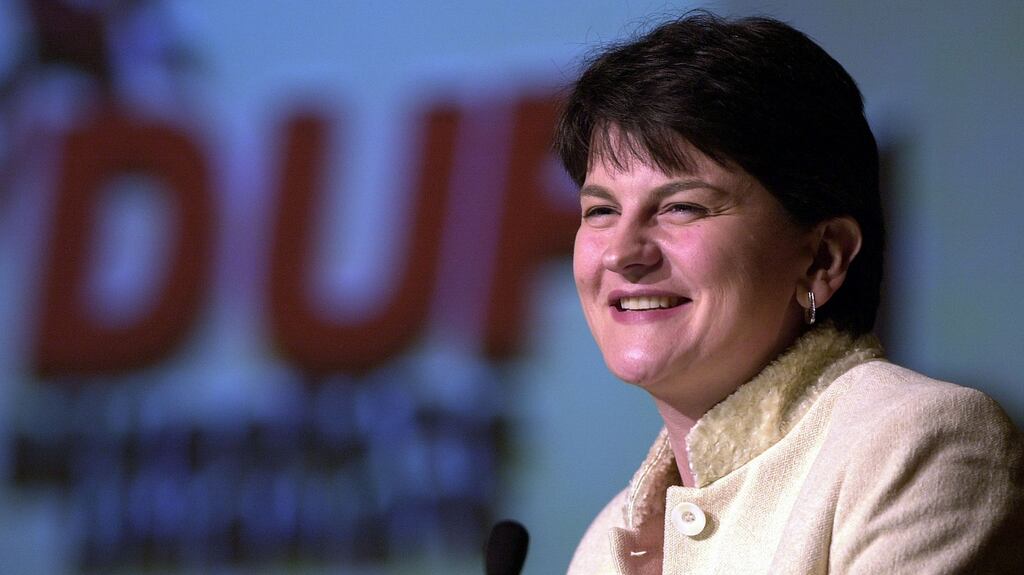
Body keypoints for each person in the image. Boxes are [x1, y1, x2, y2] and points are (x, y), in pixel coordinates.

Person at [554, 12, 1024, 574]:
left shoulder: (919, 443)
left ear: (823, 256)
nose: (620, 252)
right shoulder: (605, 543)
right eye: (601, 210)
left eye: (682, 207)